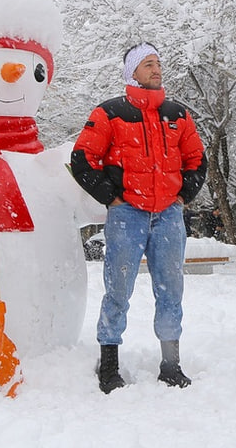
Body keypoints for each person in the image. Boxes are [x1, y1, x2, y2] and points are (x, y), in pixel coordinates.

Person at [70, 42, 208, 392]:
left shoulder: (178, 114)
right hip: (126, 214)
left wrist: (182, 195)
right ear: (133, 72)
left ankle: (171, 364)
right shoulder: (110, 113)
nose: (156, 69)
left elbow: (197, 159)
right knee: (118, 289)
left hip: (168, 216)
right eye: (148, 64)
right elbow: (83, 159)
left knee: (171, 290)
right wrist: (110, 198)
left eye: (158, 63)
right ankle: (109, 363)